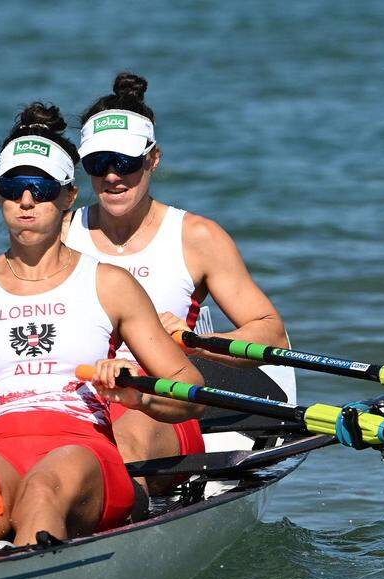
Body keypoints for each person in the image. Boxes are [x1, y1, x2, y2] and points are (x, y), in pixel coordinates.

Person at [0, 102, 204, 546]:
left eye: (42, 187)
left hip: (83, 446)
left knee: (42, 490)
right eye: (14, 188)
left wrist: (139, 395)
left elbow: (190, 391)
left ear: (68, 196)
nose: (27, 201)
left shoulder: (110, 285)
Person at [63, 72, 289, 490]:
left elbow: (273, 336)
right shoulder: (59, 234)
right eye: (97, 163)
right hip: (75, 398)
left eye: (126, 162)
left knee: (121, 444)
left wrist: (195, 342)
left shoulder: (197, 238)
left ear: (153, 159)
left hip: (160, 403)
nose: (112, 177)